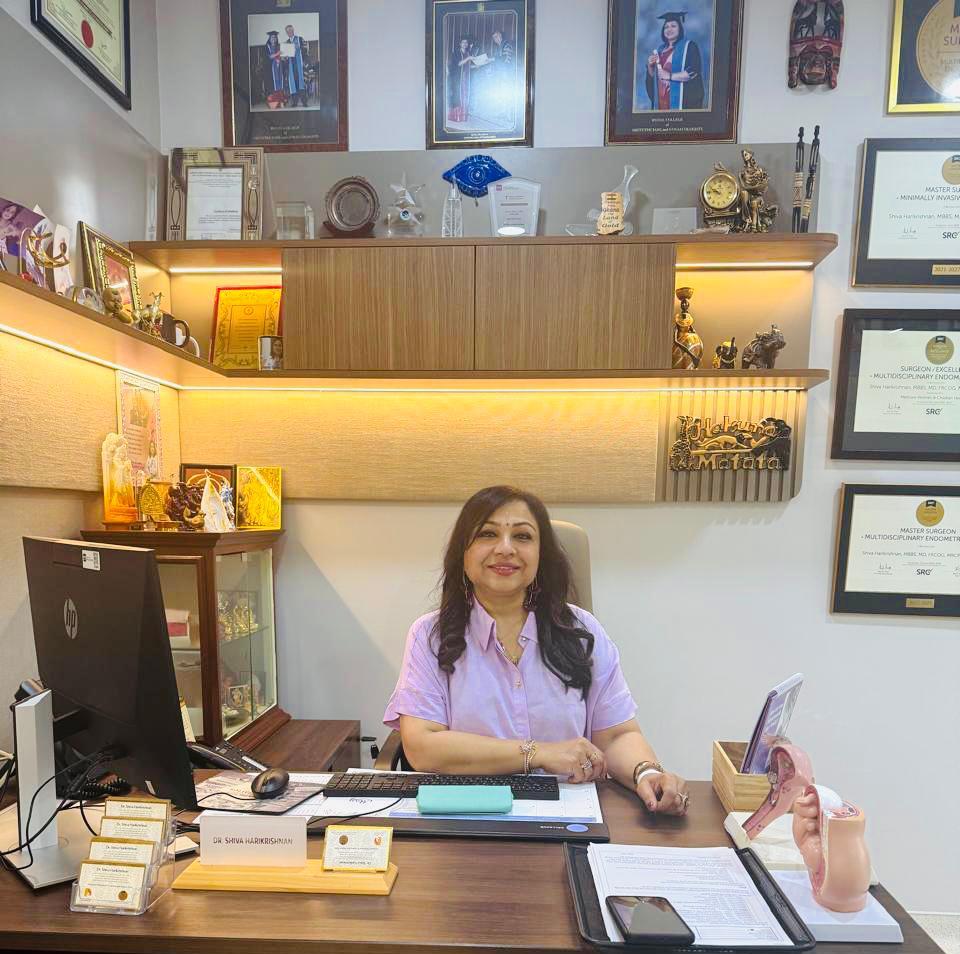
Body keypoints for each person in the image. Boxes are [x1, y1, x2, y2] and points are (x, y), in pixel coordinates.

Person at [383, 485, 689, 815]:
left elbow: (616, 737)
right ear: (463, 553)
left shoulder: (582, 631)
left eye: (522, 536)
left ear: (541, 555)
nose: (505, 548)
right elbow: (423, 746)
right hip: (468, 814)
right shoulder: (431, 636)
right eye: (487, 534)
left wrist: (647, 773)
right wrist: (537, 753)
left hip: (567, 812)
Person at [645, 11, 704, 111]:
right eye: (666, 27)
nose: (669, 29)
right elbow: (654, 81)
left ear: (680, 28)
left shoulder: (689, 46)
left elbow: (694, 72)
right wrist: (650, 67)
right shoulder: (659, 51)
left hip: (683, 105)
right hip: (662, 104)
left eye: (673, 26)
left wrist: (669, 76)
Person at [447, 37, 477, 123]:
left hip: (465, 78)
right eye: (463, 42)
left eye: (466, 42)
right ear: (460, 44)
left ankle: (463, 116)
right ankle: (456, 117)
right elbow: (459, 64)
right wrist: (468, 58)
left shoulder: (467, 53)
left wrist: (476, 66)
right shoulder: (456, 53)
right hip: (457, 78)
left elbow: (468, 66)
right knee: (458, 96)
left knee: (465, 96)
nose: (465, 44)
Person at [281, 24, 309, 108]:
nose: (289, 32)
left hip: (300, 65)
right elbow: (284, 58)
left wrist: (299, 47)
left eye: (291, 30)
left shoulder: (300, 39)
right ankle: (295, 102)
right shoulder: (286, 43)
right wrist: (284, 57)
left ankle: (304, 102)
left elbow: (306, 50)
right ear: (286, 33)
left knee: (301, 83)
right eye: (288, 31)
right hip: (291, 67)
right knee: (293, 85)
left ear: (293, 30)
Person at [264, 31, 284, 104]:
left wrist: (283, 57)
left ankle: (280, 100)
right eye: (272, 37)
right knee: (273, 84)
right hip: (270, 69)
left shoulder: (278, 46)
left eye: (275, 37)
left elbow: (281, 56)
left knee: (280, 82)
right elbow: (269, 57)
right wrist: (277, 54)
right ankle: (274, 102)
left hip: (279, 68)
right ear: (269, 38)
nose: (274, 39)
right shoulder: (266, 47)